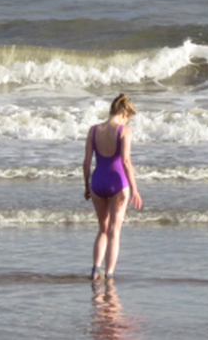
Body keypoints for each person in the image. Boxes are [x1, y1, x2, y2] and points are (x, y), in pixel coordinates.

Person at [84, 93, 143, 280]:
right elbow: (125, 161)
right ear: (124, 114)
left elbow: (86, 162)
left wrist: (86, 185)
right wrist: (135, 189)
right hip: (118, 182)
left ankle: (95, 270)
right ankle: (109, 275)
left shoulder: (93, 131)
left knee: (102, 229)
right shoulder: (125, 131)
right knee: (114, 231)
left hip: (98, 182)